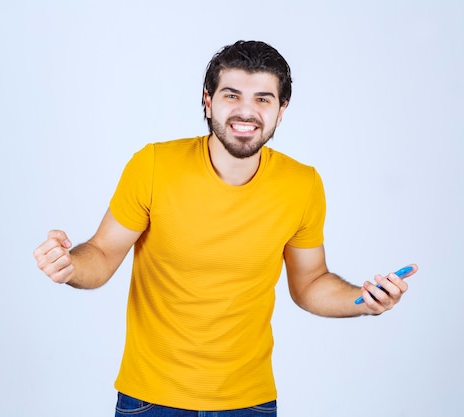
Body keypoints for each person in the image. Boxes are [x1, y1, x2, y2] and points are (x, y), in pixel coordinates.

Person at [33, 40, 417, 417]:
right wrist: (70, 265)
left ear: (282, 110)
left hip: (249, 404)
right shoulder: (153, 166)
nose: (246, 111)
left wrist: (363, 301)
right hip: (150, 400)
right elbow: (100, 254)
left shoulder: (303, 185)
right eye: (231, 95)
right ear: (208, 100)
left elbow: (311, 283)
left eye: (263, 99)